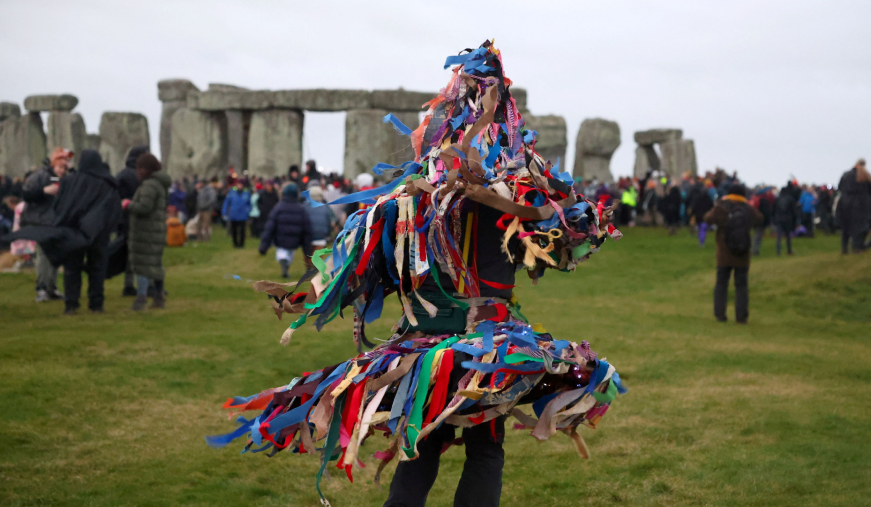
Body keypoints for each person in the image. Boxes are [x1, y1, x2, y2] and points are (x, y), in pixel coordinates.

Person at [209, 43, 625, 507]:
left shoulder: (424, 200)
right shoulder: (443, 197)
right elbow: (577, 223)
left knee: (426, 447)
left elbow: (356, 268)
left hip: (445, 348)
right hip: (476, 347)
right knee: (474, 450)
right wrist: (306, 295)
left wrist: (308, 295)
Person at [11, 150, 122, 315]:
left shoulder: (70, 180)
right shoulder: (107, 184)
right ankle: (96, 303)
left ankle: (71, 304)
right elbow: (113, 208)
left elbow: (59, 201)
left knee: (72, 268)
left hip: (73, 230)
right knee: (97, 267)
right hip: (98, 232)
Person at [704, 183, 763, 324]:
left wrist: (718, 206)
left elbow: (707, 218)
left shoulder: (722, 207)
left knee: (721, 283)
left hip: (724, 253)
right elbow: (760, 219)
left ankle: (720, 314)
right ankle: (741, 316)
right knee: (741, 285)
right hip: (742, 253)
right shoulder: (747, 209)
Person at [22, 147, 72, 302]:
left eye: (65, 166)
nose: (62, 170)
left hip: (56, 221)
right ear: (53, 163)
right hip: (41, 220)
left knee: (55, 254)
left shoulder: (64, 179)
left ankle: (51, 288)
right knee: (44, 254)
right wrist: (43, 190)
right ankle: (42, 289)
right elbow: (26, 193)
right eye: (60, 166)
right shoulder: (40, 176)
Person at [124, 153, 171, 311]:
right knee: (155, 265)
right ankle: (158, 297)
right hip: (155, 231)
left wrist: (127, 205)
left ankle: (141, 299)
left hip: (146, 231)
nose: (137, 171)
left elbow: (144, 207)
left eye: (139, 168)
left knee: (143, 265)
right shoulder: (158, 184)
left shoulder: (149, 185)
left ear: (145, 169)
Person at [258, 182, 313, 278]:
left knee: (282, 252)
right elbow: (306, 228)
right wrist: (307, 247)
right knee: (290, 254)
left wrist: (264, 246)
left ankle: (284, 264)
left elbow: (270, 227)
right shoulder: (301, 209)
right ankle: (286, 265)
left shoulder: (278, 207)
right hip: (295, 239)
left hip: (280, 238)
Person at [116, 146, 148, 297]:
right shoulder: (139, 176)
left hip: (124, 220)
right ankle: (146, 287)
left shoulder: (122, 175)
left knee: (129, 254)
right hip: (137, 219)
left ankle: (128, 285)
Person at [836, 159, 871, 254]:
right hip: (861, 204)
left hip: (845, 202)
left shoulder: (846, 175)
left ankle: (844, 248)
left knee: (846, 226)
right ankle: (857, 247)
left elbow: (839, 187)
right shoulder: (865, 175)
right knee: (859, 226)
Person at [304, 186, 338, 251]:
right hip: (321, 237)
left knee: (308, 259)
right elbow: (330, 222)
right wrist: (328, 234)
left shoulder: (304, 207)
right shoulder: (325, 207)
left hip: (307, 237)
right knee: (318, 259)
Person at [772, 182, 801, 255]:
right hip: (788, 219)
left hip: (778, 219)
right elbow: (794, 211)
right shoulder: (790, 199)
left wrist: (773, 219)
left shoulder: (777, 199)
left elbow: (773, 210)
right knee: (788, 236)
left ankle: (778, 252)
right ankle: (789, 250)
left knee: (778, 236)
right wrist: (795, 219)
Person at [222, 179, 251, 248]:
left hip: (243, 215)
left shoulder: (246, 193)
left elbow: (249, 204)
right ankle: (235, 243)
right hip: (234, 214)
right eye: (238, 184)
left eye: (241, 185)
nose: (239, 186)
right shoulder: (232, 193)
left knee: (242, 230)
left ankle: (241, 244)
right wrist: (224, 212)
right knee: (234, 230)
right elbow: (226, 203)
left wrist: (248, 211)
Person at [752, 187, 775, 255]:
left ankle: (754, 250)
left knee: (757, 235)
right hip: (761, 221)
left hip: (755, 220)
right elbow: (766, 213)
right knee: (758, 236)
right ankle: (755, 251)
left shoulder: (755, 199)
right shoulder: (764, 201)